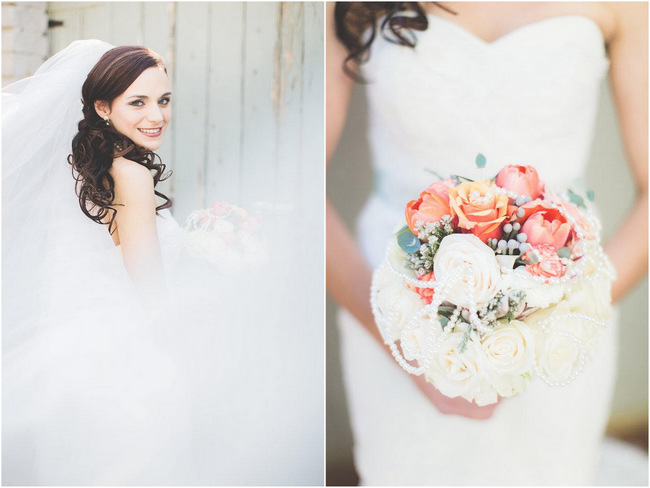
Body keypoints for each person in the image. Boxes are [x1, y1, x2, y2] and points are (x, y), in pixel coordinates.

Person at [327, 2, 647, 484]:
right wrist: (409, 347)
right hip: (393, 309)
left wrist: (547, 327)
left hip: (566, 312)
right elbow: (294, 186)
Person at [3, 39, 322, 486]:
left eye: (164, 100)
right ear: (102, 107)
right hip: (126, 362)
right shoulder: (130, 175)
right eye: (138, 102)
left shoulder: (81, 167)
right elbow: (148, 287)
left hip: (72, 358)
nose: (157, 116)